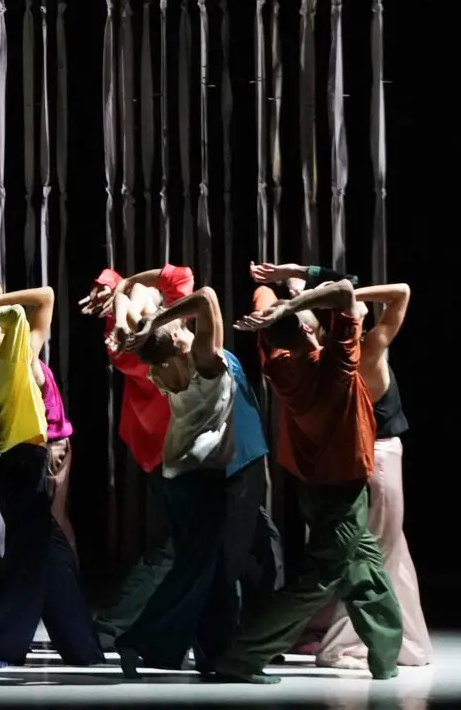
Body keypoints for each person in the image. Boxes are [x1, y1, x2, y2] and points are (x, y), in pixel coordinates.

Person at [200, 264, 405, 684]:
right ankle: (243, 656)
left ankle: (385, 658)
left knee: (363, 565)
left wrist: (280, 299)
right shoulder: (336, 370)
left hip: (313, 484)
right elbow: (345, 291)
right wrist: (293, 296)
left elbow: (265, 299)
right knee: (320, 579)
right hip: (340, 487)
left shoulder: (276, 360)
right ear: (310, 331)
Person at [80, 267, 281, 645]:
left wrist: (116, 285)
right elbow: (193, 291)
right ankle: (127, 631)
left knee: (248, 546)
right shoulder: (180, 354)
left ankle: (251, 633)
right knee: (188, 554)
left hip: (210, 453)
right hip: (201, 458)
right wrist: (127, 295)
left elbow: (170, 282)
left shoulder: (140, 343)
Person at [0, 281, 105, 670]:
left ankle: (82, 646)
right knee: (29, 557)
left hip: (4, 464)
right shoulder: (15, 362)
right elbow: (36, 301)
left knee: (51, 551)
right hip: (30, 462)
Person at [286, 271, 433, 668]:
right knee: (377, 555)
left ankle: (405, 641)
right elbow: (402, 291)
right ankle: (340, 646)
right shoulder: (368, 350)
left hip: (362, 459)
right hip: (379, 459)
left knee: (391, 550)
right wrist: (338, 295)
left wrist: (309, 286)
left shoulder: (324, 359)